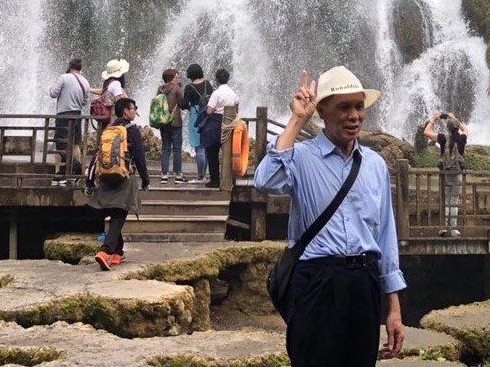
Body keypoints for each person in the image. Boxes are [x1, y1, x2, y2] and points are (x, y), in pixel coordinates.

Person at [254, 66, 406, 366]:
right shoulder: (302, 157)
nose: (354, 116)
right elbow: (265, 180)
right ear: (322, 111)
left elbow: (385, 237)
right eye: (344, 107)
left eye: (359, 107)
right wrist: (298, 119)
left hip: (364, 282)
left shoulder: (375, 165)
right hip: (315, 281)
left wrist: (394, 308)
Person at [87, 97, 150, 270]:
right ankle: (105, 251)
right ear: (125, 111)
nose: (135, 111)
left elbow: (97, 155)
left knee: (114, 214)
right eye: (133, 108)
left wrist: (89, 179)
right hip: (124, 177)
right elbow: (139, 156)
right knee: (119, 216)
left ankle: (117, 253)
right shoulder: (131, 129)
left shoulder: (110, 129)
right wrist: (145, 179)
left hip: (107, 176)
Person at [423, 111, 469, 237]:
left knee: (445, 200)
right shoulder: (462, 138)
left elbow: (426, 132)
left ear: (447, 129)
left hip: (445, 174)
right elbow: (466, 129)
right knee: (454, 200)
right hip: (458, 173)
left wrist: (434, 119)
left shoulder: (443, 139)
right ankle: (453, 229)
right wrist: (454, 119)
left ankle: (443, 228)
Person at [48, 57, 91, 183]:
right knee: (75, 143)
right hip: (77, 115)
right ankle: (71, 172)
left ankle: (73, 168)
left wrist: (50, 88)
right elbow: (84, 101)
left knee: (60, 142)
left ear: (70, 66)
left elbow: (53, 94)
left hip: (64, 114)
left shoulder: (64, 77)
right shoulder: (85, 82)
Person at [201, 68, 238, 189]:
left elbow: (209, 110)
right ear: (228, 79)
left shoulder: (216, 93)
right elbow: (236, 106)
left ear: (216, 79)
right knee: (228, 153)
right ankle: (228, 179)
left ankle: (215, 180)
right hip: (229, 123)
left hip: (215, 124)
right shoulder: (233, 93)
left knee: (212, 153)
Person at [182, 63, 212, 183]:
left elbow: (184, 105)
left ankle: (201, 176)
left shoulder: (189, 88)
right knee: (206, 147)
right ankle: (208, 174)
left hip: (195, 117)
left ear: (190, 74)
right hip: (208, 116)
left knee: (199, 147)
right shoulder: (208, 84)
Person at [154, 68, 185, 184]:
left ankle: (164, 175)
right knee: (177, 149)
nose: (177, 79)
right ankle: (178, 175)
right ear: (170, 78)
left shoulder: (160, 89)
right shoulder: (177, 89)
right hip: (175, 122)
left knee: (165, 149)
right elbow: (181, 104)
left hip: (163, 122)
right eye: (176, 77)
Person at [91, 58, 129, 130]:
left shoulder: (109, 82)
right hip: (113, 118)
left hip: (106, 116)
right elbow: (119, 102)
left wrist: (90, 89)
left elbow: (103, 92)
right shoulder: (116, 84)